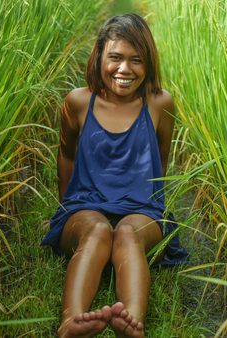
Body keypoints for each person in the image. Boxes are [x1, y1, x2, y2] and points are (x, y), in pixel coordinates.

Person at [41, 13, 188, 338]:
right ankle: (72, 321)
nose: (125, 69)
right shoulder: (78, 102)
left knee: (126, 234)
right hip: (86, 205)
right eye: (116, 58)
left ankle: (131, 321)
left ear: (148, 62)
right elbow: (66, 155)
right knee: (97, 230)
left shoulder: (160, 103)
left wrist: (151, 209)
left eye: (136, 60)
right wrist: (65, 210)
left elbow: (158, 164)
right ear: (99, 58)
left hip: (142, 211)